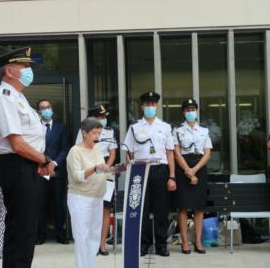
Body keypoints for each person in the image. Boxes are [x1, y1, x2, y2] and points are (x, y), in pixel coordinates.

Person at [0, 47, 56, 268]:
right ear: (9, 70)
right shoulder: (4, 97)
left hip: (28, 166)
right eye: (24, 66)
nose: (28, 71)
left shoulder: (19, 97)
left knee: (27, 229)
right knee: (20, 229)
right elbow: (16, 144)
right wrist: (43, 160)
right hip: (17, 166)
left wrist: (40, 160)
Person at [122, 91, 176, 257]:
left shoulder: (165, 127)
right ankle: (143, 244)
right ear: (142, 106)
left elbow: (170, 153)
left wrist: (172, 176)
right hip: (139, 171)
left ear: (156, 106)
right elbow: (127, 150)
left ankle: (161, 245)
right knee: (141, 211)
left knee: (161, 210)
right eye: (147, 104)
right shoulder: (134, 128)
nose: (150, 107)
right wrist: (131, 166)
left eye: (153, 104)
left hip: (160, 170)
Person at [75, 104, 117, 255]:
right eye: (100, 117)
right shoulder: (84, 132)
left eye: (104, 117)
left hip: (105, 170)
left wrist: (106, 167)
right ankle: (88, 244)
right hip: (90, 170)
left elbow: (112, 152)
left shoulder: (109, 131)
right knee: (89, 208)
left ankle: (102, 244)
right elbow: (79, 152)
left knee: (106, 208)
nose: (103, 119)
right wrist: (94, 169)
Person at [67, 117, 108, 268]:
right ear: (84, 133)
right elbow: (78, 176)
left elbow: (101, 169)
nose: (98, 137)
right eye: (94, 133)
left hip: (97, 198)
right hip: (80, 198)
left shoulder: (97, 150)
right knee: (81, 237)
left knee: (94, 237)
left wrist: (111, 171)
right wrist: (95, 169)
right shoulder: (75, 151)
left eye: (99, 133)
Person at [172, 98, 212, 254]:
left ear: (197, 111)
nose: (190, 112)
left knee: (199, 207)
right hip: (183, 167)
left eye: (193, 109)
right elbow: (176, 152)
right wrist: (188, 170)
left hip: (199, 167)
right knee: (182, 206)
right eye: (187, 110)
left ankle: (198, 241)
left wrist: (194, 170)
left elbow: (207, 153)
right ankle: (185, 242)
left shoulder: (204, 131)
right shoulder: (177, 130)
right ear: (183, 112)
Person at [36, 98, 70, 245]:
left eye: (48, 106)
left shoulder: (61, 127)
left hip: (57, 172)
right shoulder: (34, 127)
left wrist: (54, 163)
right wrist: (43, 164)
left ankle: (60, 235)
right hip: (40, 171)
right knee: (40, 205)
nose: (46, 110)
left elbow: (65, 148)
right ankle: (40, 236)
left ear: (52, 109)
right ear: (39, 111)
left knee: (58, 205)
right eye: (43, 108)